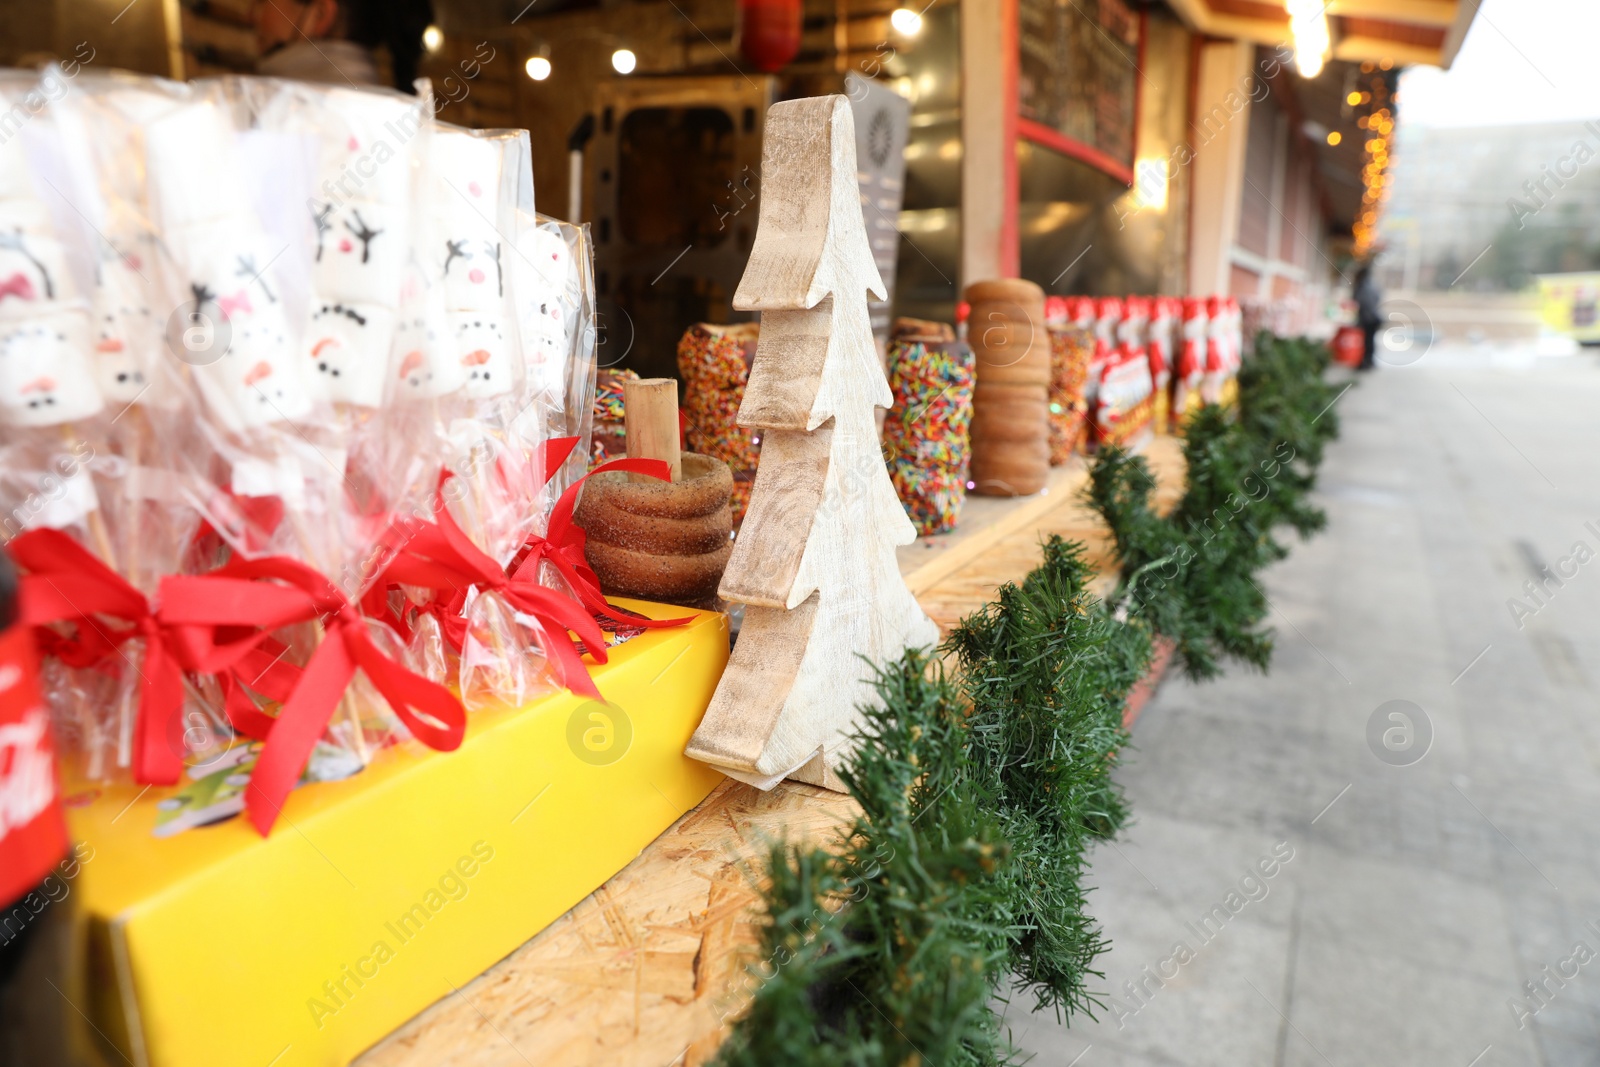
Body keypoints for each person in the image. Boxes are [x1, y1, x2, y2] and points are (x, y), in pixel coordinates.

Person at [254, 0, 435, 92]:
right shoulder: (387, 120)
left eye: (262, 2)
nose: (249, 15)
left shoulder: (271, 116)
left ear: (320, 15)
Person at [1353, 264, 1382, 371]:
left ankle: (1367, 362)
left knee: (1367, 341)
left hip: (1369, 318)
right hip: (1375, 317)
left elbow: (1359, 301)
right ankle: (1369, 361)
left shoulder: (1362, 287)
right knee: (1370, 340)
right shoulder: (1373, 285)